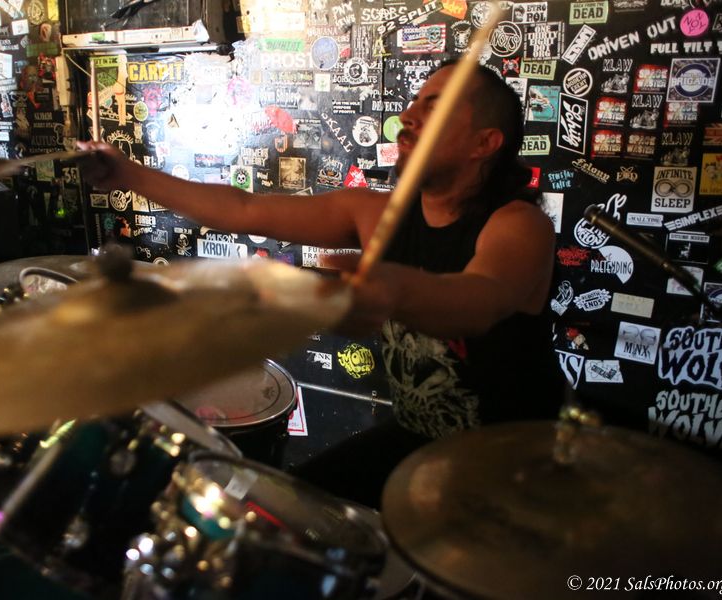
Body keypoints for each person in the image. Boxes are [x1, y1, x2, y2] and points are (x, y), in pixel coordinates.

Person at [79, 60, 564, 507]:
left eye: (434, 108)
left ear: (484, 143)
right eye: (414, 102)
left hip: (515, 463)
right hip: (419, 443)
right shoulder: (379, 215)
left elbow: (480, 301)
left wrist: (395, 289)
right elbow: (244, 209)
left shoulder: (519, 226)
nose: (408, 116)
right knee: (290, 513)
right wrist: (127, 173)